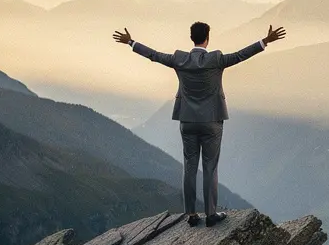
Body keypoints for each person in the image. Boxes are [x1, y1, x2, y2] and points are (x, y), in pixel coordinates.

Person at [113, 22, 286, 226]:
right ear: (207, 38)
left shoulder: (179, 59)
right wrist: (265, 41)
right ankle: (211, 214)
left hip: (187, 120)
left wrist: (131, 42)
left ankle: (191, 214)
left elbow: (155, 55)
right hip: (212, 121)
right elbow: (241, 55)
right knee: (210, 167)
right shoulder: (216, 59)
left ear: (191, 38)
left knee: (189, 167)